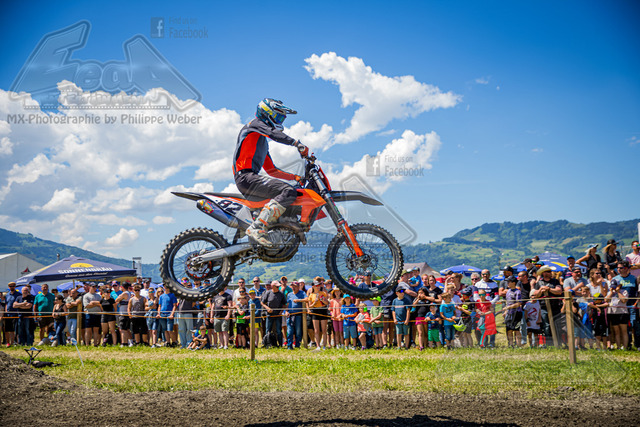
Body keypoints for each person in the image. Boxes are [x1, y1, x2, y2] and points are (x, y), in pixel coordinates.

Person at [234, 98, 308, 246]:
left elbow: (272, 170)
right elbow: (273, 133)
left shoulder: (261, 142)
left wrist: (296, 177)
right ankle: (257, 227)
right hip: (246, 177)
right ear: (267, 113)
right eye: (278, 117)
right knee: (288, 191)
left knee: (291, 192)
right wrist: (296, 143)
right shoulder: (254, 125)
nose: (279, 121)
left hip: (250, 178)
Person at [531, 265, 564, 347]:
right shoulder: (539, 283)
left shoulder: (555, 281)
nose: (548, 273)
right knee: (546, 326)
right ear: (543, 273)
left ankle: (558, 343)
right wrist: (541, 290)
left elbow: (559, 291)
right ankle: (550, 344)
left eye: (549, 271)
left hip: (555, 306)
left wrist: (549, 289)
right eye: (546, 272)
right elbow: (536, 295)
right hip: (544, 307)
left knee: (557, 325)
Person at [610, 260, 639, 350]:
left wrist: (636, 303)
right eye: (617, 268)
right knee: (625, 326)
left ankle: (638, 344)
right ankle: (627, 344)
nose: (618, 269)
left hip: (632, 305)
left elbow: (638, 293)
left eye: (621, 268)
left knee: (634, 324)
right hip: (621, 306)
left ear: (626, 268)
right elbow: (612, 292)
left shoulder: (634, 278)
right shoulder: (615, 279)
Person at [300, 279, 329, 350]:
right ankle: (318, 345)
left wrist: (323, 300)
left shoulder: (323, 293)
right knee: (316, 330)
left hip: (323, 310)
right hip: (315, 311)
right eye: (316, 286)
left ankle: (324, 345)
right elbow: (310, 306)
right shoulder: (311, 295)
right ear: (313, 286)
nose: (318, 287)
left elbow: (327, 303)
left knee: (324, 329)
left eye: (319, 285)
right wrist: (314, 302)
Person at [261, 281, 287, 347]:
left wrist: (281, 311)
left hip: (278, 315)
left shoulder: (281, 294)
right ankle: (267, 344)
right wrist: (267, 308)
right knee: (268, 330)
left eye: (279, 286)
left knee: (278, 330)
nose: (278, 288)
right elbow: (262, 302)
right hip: (269, 315)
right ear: (272, 286)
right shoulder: (268, 293)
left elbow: (284, 304)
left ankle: (280, 344)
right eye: (277, 286)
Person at [502, 276, 523, 348]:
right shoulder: (508, 291)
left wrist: (509, 307)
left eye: (509, 282)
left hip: (516, 313)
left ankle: (519, 345)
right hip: (509, 313)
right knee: (509, 329)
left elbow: (518, 303)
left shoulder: (518, 292)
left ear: (514, 283)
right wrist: (506, 311)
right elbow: (507, 302)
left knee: (517, 330)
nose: (507, 283)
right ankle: (510, 345)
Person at [285, 281, 306, 349]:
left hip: (298, 314)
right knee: (289, 331)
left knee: (298, 332)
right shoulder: (289, 294)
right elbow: (287, 304)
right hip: (290, 315)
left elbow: (307, 299)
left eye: (295, 286)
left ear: (298, 286)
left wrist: (299, 300)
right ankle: (289, 346)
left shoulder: (302, 293)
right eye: (292, 286)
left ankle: (297, 345)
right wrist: (286, 311)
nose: (293, 288)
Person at [115, 283, 134, 347]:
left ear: (122, 287)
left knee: (122, 329)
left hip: (123, 314)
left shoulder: (124, 293)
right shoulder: (129, 293)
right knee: (127, 329)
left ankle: (124, 343)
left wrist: (119, 297)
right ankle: (131, 342)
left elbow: (116, 300)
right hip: (126, 313)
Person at [4, 282, 20, 347]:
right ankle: (8, 342)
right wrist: (6, 311)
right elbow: (6, 303)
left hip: (15, 314)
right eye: (10, 286)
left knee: (13, 329)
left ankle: (13, 342)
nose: (12, 287)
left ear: (15, 286)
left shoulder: (18, 294)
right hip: (7, 314)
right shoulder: (7, 295)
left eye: (13, 286)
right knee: (7, 329)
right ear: (9, 287)